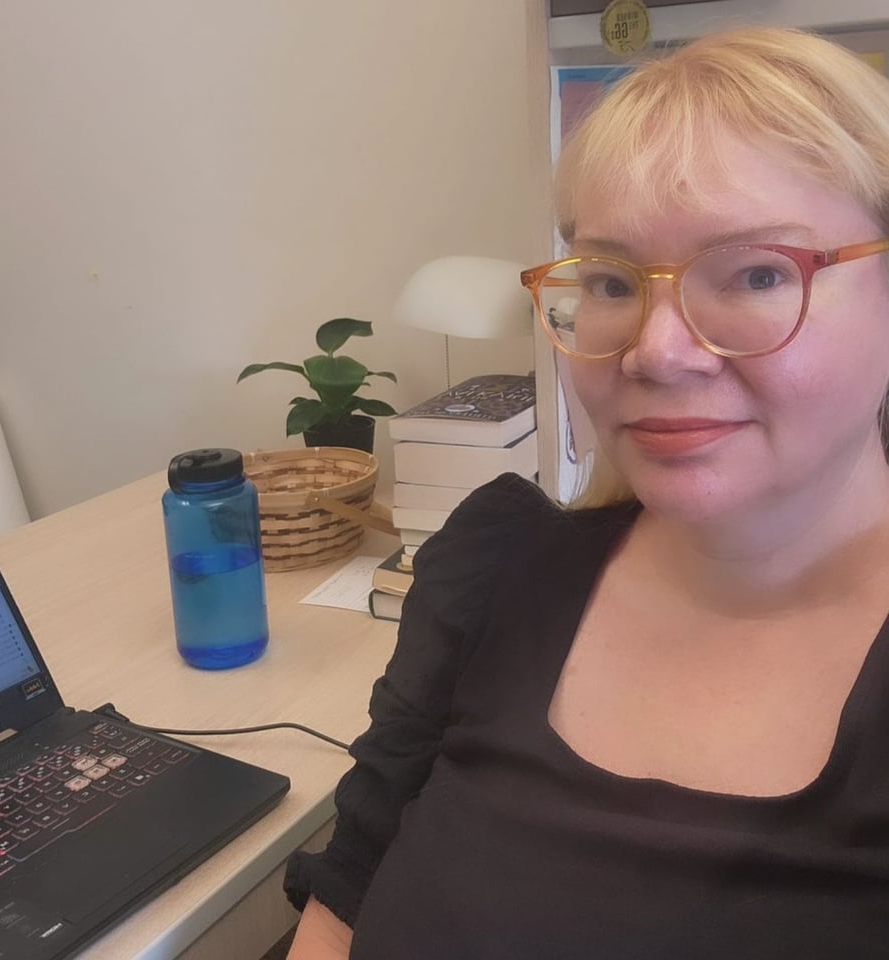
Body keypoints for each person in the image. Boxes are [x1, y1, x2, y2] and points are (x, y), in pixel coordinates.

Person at [284, 24, 889, 958]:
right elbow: (339, 916)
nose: (655, 351)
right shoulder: (495, 572)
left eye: (758, 272)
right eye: (610, 282)